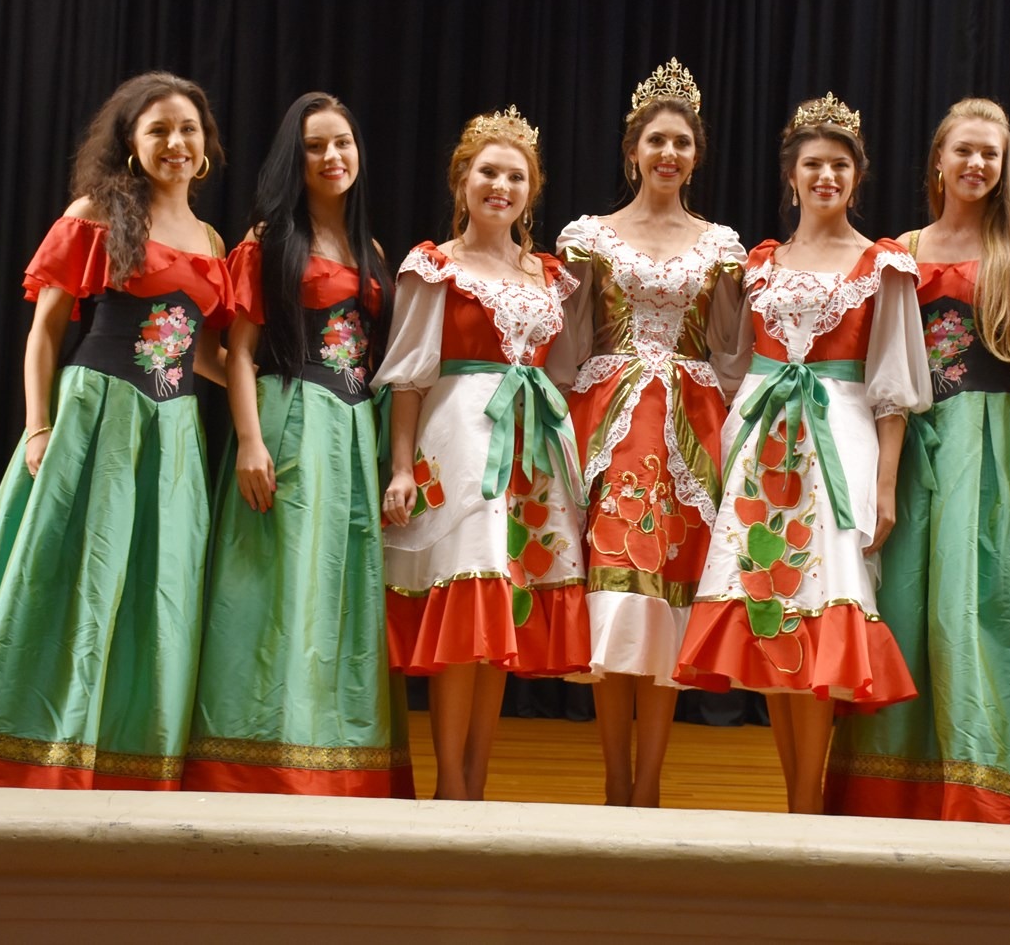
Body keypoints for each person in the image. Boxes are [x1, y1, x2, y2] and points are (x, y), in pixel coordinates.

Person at [0, 72, 232, 789]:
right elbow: (45, 331)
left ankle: (125, 760)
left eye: (187, 129)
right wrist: (38, 425)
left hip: (173, 432)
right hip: (99, 416)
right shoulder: (97, 214)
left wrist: (269, 386)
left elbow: (200, 349)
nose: (175, 142)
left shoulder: (210, 238)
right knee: (77, 580)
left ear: (205, 144)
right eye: (158, 130)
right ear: (132, 143)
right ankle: (30, 755)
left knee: (155, 588)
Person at [674, 94, 932, 814]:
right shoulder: (760, 263)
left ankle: (808, 805)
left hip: (836, 441)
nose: (827, 176)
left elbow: (892, 387)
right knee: (771, 608)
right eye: (813, 164)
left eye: (840, 165)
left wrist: (885, 486)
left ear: (858, 177)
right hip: (762, 442)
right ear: (791, 176)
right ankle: (796, 802)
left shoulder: (883, 264)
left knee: (818, 603)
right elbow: (733, 363)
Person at [827, 98, 1010, 824]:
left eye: (990, 153)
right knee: (906, 605)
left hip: (991, 438)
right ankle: (896, 789)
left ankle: (987, 784)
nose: (976, 163)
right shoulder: (903, 246)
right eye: (964, 150)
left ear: (1004, 165)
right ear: (938, 160)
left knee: (982, 608)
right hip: (916, 437)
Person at [183, 93, 411, 797]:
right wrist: (250, 441)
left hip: (354, 429)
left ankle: (338, 764)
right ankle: (257, 761)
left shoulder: (371, 250)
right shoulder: (270, 240)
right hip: (293, 417)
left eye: (342, 142)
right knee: (279, 585)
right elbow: (239, 354)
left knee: (342, 588)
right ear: (296, 157)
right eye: (315, 146)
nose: (332, 156)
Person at [548, 59, 747, 807]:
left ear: (697, 155)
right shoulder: (588, 237)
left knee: (666, 600)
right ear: (632, 150)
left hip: (690, 426)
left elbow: (731, 353)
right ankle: (613, 782)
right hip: (610, 420)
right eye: (657, 140)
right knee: (615, 591)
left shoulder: (721, 245)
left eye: (682, 143)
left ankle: (651, 785)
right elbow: (564, 344)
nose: (669, 153)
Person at [376, 105, 588, 800]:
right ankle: (449, 784)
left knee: (502, 612)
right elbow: (409, 375)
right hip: (462, 440)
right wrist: (401, 467)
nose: (502, 186)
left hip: (531, 449)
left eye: (516, 176)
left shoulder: (549, 275)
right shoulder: (434, 267)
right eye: (489, 172)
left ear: (533, 189)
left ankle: (477, 779)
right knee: (466, 596)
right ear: (462, 180)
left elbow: (564, 370)